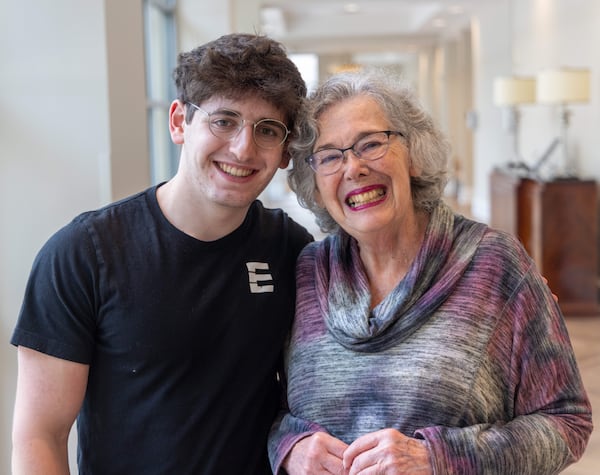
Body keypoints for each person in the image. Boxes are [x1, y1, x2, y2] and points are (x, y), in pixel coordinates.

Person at [10, 33, 312, 474]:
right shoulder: (83, 254)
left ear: (285, 152)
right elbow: (40, 436)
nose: (243, 149)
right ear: (178, 122)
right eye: (223, 121)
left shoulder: (290, 249)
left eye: (266, 130)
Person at [268, 69, 593, 474]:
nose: (353, 168)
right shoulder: (306, 271)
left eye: (371, 144)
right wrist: (291, 445)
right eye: (330, 156)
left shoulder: (495, 265)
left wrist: (438, 458)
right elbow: (275, 408)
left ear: (415, 156)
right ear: (314, 186)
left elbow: (567, 421)